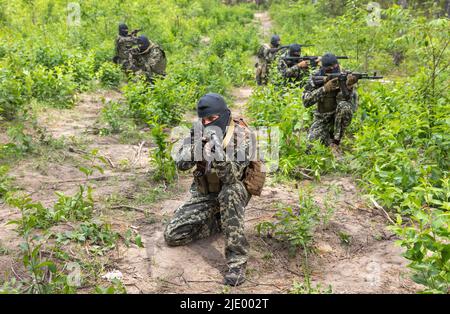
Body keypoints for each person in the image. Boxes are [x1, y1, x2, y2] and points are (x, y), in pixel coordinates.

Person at [164, 93, 261, 286]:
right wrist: (197, 146)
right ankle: (219, 222)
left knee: (230, 192)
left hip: (234, 190)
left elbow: (232, 177)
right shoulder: (199, 129)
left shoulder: (243, 135)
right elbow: (180, 164)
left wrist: (217, 151)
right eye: (204, 119)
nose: (208, 123)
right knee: (173, 235)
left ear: (224, 115)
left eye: (212, 119)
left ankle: (237, 261)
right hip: (206, 191)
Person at [302, 53, 359, 149]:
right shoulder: (316, 76)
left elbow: (353, 105)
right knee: (310, 146)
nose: (332, 70)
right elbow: (306, 102)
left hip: (339, 116)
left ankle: (336, 142)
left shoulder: (347, 75)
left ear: (337, 64)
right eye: (328, 70)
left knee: (344, 106)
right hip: (322, 118)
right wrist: (324, 89)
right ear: (322, 68)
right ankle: (328, 137)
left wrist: (348, 87)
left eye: (335, 67)